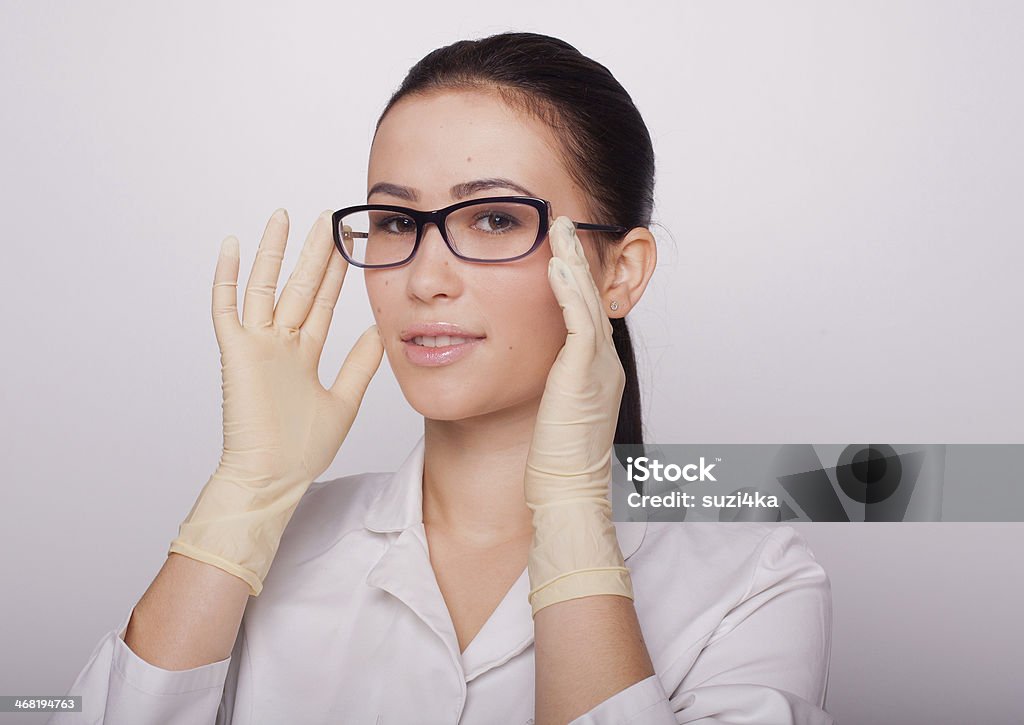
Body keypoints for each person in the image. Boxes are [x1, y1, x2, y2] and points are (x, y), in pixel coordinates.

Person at [51, 32, 833, 724]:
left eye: (494, 218)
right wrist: (243, 496)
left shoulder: (753, 583)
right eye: (395, 222)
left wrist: (569, 511)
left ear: (620, 273)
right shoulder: (276, 546)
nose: (425, 278)